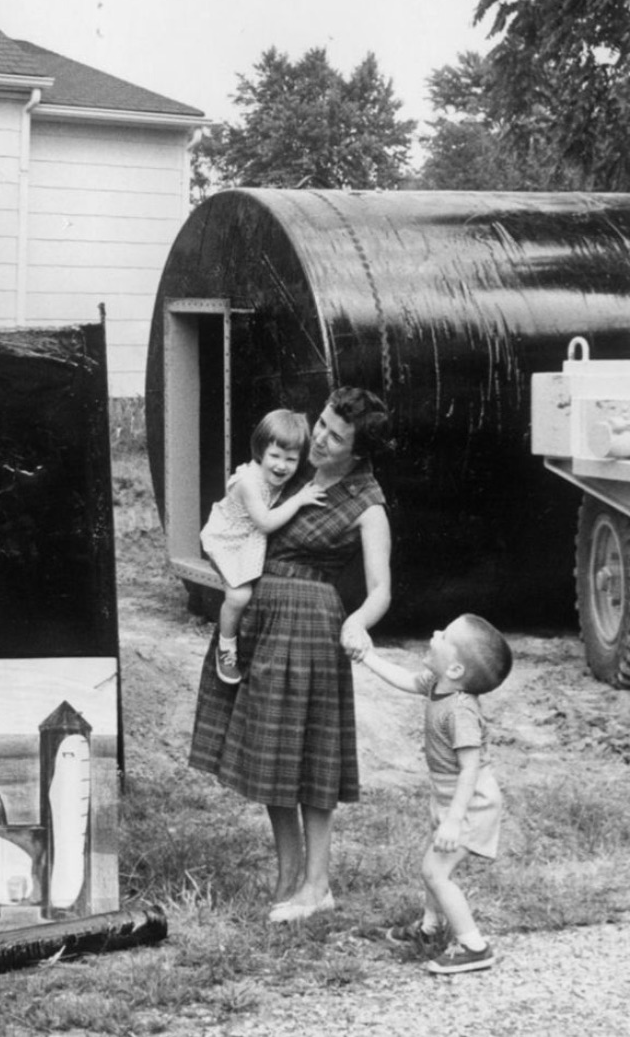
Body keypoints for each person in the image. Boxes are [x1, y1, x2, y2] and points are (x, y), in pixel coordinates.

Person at [189, 385, 393, 923]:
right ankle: (289, 876)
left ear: (359, 449)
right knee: (271, 755)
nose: (321, 439)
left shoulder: (368, 503)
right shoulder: (290, 468)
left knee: (312, 763)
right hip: (263, 619)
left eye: (336, 436)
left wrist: (357, 620)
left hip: (309, 629)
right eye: (322, 425)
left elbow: (381, 591)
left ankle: (317, 884)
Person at [354, 614, 512, 976]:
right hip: (447, 794)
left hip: (470, 801)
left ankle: (474, 946)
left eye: (444, 635)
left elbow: (470, 770)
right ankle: (430, 927)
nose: (434, 632)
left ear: (455, 669)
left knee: (435, 871)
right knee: (433, 864)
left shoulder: (460, 711)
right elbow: (405, 679)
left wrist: (455, 819)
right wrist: (367, 657)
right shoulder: (437, 683)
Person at [199, 409, 323, 684]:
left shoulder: (280, 474)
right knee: (239, 596)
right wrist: (300, 500)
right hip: (227, 541)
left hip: (248, 539)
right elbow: (266, 522)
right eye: (275, 456)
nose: (281, 466)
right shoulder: (248, 483)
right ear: (260, 451)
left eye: (291, 460)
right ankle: (226, 646)